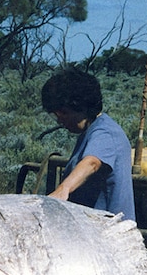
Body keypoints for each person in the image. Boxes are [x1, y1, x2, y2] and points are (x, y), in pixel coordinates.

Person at [41, 68, 135, 221]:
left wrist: (63, 189)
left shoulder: (106, 133)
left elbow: (92, 162)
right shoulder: (90, 131)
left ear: (80, 107)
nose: (60, 120)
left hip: (107, 231)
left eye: (63, 113)